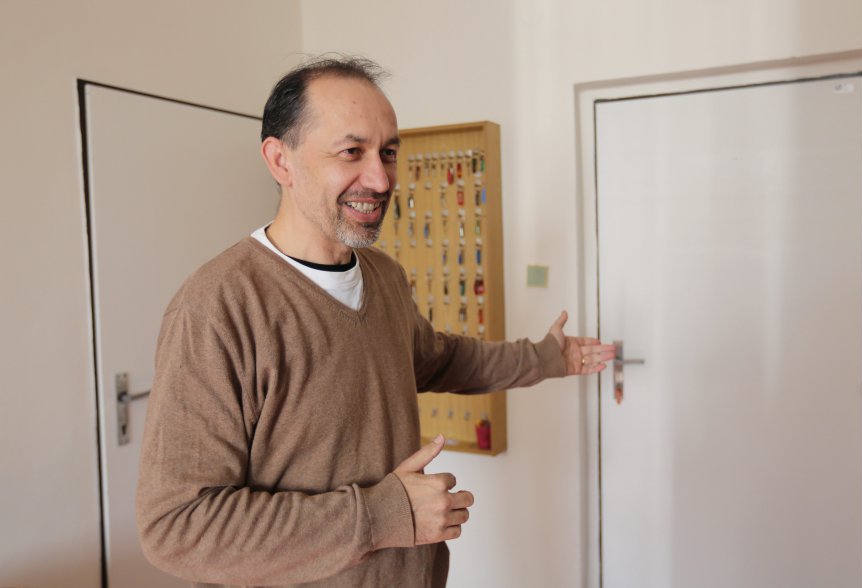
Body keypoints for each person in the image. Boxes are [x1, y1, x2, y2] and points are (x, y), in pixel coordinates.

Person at [136, 54, 616, 588]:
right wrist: (385, 515)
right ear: (280, 161)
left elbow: (436, 358)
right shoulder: (217, 308)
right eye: (352, 152)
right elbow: (177, 527)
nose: (381, 178)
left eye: (388, 152)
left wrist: (546, 358)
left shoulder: (383, 275)